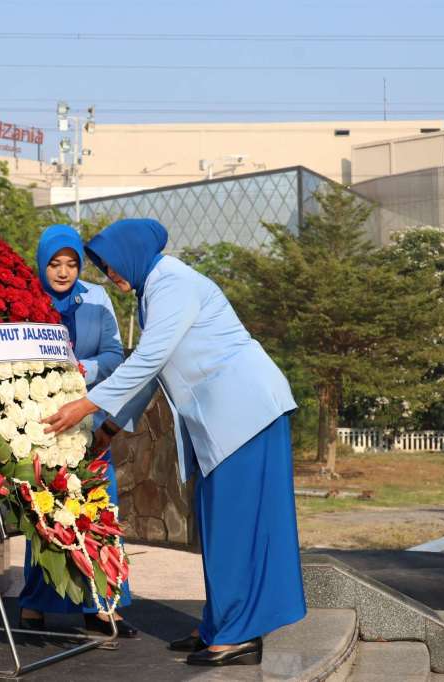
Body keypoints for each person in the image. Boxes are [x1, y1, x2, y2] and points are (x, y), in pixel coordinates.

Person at [43, 218, 305, 668]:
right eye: (104, 268)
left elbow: (149, 359)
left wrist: (86, 405)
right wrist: (109, 428)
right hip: (227, 421)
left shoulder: (173, 283)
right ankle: (220, 624)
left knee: (236, 526)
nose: (111, 274)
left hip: (247, 414)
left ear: (134, 253)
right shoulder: (153, 290)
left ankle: (238, 634)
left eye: (114, 263)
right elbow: (153, 374)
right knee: (218, 525)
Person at [17, 224, 138, 638]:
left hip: (88, 418)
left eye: (71, 263)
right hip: (42, 419)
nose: (64, 272)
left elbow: (114, 354)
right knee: (45, 507)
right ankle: (36, 602)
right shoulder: (24, 298)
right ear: (42, 264)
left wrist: (79, 370)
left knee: (99, 506)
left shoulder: (97, 298)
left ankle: (101, 604)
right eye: (55, 263)